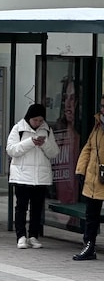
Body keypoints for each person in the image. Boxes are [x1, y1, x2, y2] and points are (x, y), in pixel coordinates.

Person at [7, 103, 59, 250]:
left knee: (36, 208)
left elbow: (54, 152)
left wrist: (44, 144)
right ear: (29, 118)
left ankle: (33, 236)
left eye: (40, 120)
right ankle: (21, 236)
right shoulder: (18, 128)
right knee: (21, 207)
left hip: (40, 177)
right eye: (35, 120)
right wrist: (30, 142)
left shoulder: (47, 130)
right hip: (22, 176)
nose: (38, 123)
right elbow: (11, 150)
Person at [73, 96, 104, 260]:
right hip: (94, 178)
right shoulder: (98, 125)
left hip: (100, 175)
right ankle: (89, 246)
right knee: (91, 215)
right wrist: (81, 170)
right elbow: (88, 148)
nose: (102, 109)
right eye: (102, 106)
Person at [53, 76, 81, 204]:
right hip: (59, 197)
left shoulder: (82, 135)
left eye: (73, 98)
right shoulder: (58, 131)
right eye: (65, 98)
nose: (68, 104)